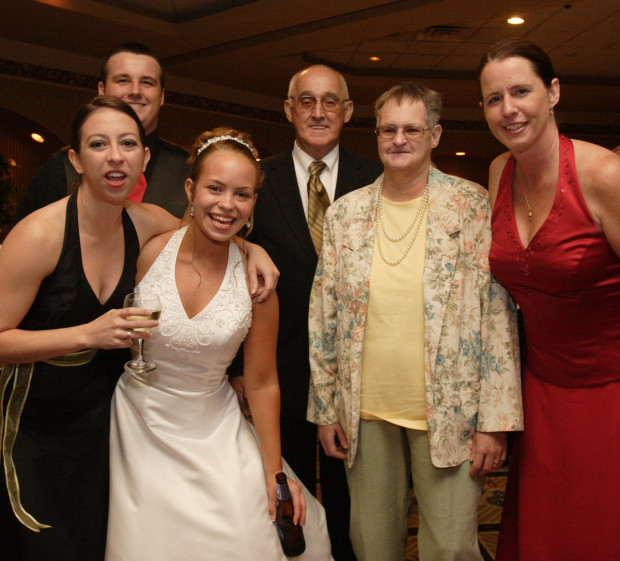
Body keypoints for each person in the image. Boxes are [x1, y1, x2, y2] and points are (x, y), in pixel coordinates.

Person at [0, 97, 278, 561]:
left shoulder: (146, 223)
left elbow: (211, 231)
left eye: (128, 143)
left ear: (144, 158)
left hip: (107, 419)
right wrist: (87, 334)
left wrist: (253, 252)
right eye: (98, 144)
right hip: (36, 420)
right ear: (75, 159)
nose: (115, 156)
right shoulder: (39, 235)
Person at [307, 81, 523, 561]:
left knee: (450, 548)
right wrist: (325, 408)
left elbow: (496, 317)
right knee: (372, 545)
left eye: (411, 129)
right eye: (388, 130)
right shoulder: (346, 213)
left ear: (436, 135)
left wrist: (496, 421)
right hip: (365, 411)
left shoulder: (470, 206)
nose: (398, 139)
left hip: (452, 415)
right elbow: (323, 316)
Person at [104, 128, 332, 561]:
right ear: (191, 189)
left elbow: (263, 382)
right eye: (215, 188)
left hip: (215, 424)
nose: (227, 205)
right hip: (139, 423)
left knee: (247, 531)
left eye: (242, 194)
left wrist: (275, 471)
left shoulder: (257, 282)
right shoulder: (149, 250)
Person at [228, 64, 381, 561]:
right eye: (307, 101)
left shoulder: (377, 178)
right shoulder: (254, 179)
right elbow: (225, 270)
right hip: (277, 372)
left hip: (361, 378)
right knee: (284, 505)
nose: (318, 112)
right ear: (289, 109)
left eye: (330, 101)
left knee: (356, 507)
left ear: (348, 111)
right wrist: (234, 370)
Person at [478, 38, 620, 561]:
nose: (508, 109)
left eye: (521, 91)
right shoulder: (498, 172)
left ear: (553, 92)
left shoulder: (606, 176)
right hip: (539, 394)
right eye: (494, 99)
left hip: (610, 394)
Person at [16, 42, 190, 221]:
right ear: (102, 90)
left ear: (161, 96)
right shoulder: (61, 166)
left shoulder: (189, 166)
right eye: (123, 80)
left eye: (147, 82)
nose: (135, 91)